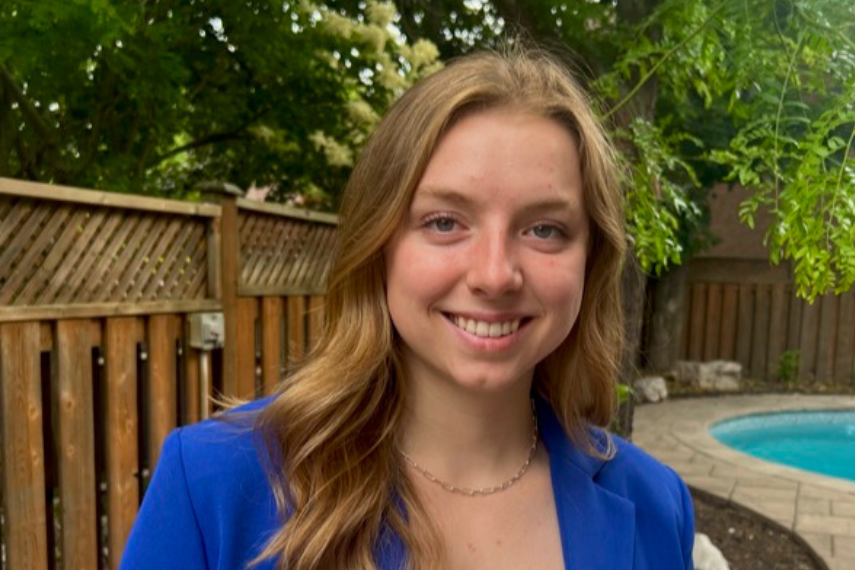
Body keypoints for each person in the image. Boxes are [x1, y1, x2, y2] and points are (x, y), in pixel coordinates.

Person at [120, 45, 695, 570]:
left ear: (590, 261)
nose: (494, 274)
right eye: (445, 222)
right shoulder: (212, 486)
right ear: (381, 244)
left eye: (544, 229)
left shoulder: (655, 505)